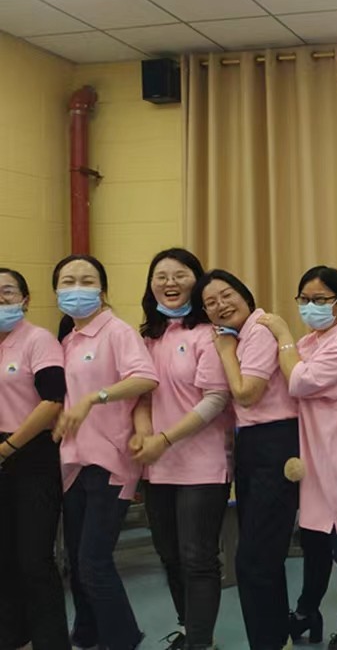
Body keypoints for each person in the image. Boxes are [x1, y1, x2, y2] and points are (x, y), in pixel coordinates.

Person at [260, 266, 337, 650]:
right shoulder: (314, 340)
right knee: (316, 546)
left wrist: (282, 336)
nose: (309, 306)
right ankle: (306, 613)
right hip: (315, 460)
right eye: (303, 299)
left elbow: (298, 381)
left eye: (318, 299)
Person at [53, 254, 159, 650]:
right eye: (68, 281)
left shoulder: (117, 331)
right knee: (78, 562)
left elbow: (145, 378)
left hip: (110, 461)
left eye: (86, 280)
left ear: (102, 289)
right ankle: (87, 634)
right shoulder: (67, 339)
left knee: (94, 562)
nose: (77, 289)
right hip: (73, 464)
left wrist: (93, 399)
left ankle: (123, 639)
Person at [131, 249, 234, 650]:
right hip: (157, 465)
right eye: (161, 276)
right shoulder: (147, 338)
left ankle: (201, 642)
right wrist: (145, 434)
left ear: (197, 281)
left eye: (180, 275)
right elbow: (142, 395)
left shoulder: (210, 334)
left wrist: (164, 439)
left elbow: (216, 399)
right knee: (169, 555)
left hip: (203, 465)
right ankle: (190, 630)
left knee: (197, 557)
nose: (170, 283)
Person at [192, 270, 299, 650]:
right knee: (263, 556)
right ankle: (276, 639)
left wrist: (224, 352)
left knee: (253, 559)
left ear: (245, 294)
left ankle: (269, 641)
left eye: (227, 295)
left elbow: (247, 393)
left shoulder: (259, 330)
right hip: (254, 444)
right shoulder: (240, 335)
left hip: (275, 442)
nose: (221, 305)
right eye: (210, 302)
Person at [0, 267, 71, 650]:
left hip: (31, 454)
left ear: (25, 300)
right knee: (4, 557)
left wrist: (8, 448)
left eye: (7, 291)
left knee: (33, 558)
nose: (0, 299)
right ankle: (12, 635)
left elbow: (52, 400)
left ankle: (50, 641)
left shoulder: (38, 339)